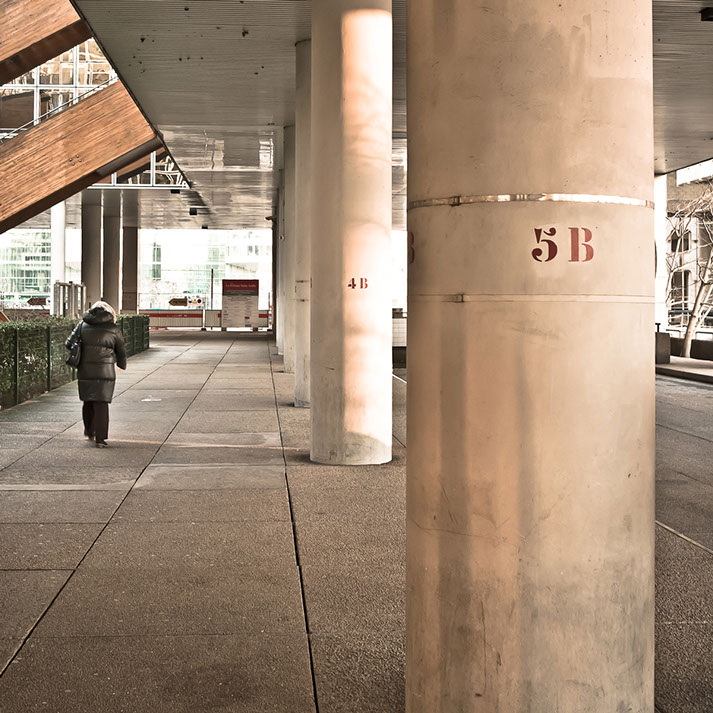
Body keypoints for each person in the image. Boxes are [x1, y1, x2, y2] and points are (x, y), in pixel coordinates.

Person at [66, 300, 127, 448]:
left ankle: (89, 430)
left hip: (85, 369)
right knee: (101, 403)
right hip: (105, 370)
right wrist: (121, 365)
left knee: (87, 400)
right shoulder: (113, 329)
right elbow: (121, 349)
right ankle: (100, 439)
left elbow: (69, 343)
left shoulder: (82, 326)